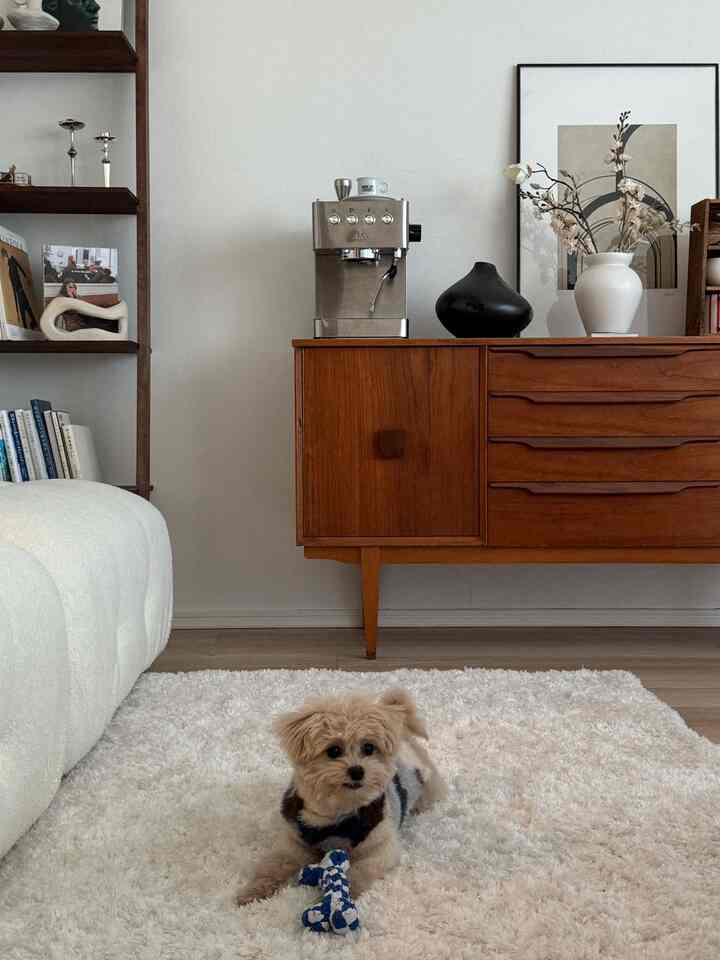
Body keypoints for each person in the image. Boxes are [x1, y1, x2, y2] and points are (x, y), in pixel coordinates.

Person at [1, 247, 37, 330]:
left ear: (5, 256)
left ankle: (28, 326)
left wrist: (26, 277)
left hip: (19, 292)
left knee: (24, 311)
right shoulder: (11, 263)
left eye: (3, 258)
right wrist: (25, 276)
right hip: (20, 292)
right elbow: (20, 268)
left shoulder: (11, 264)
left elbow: (19, 271)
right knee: (27, 309)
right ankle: (32, 323)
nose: (4, 260)